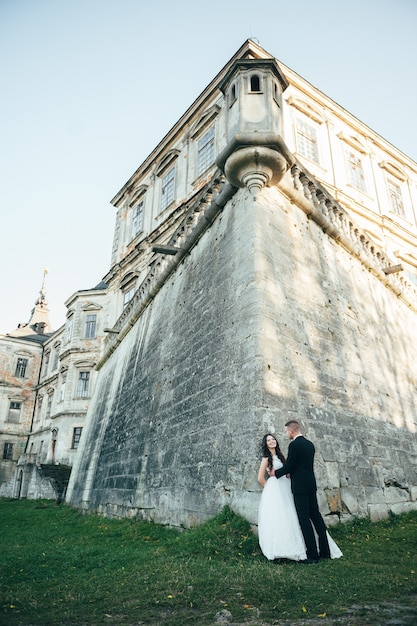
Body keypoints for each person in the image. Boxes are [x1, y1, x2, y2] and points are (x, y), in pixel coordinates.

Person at [272, 420, 340, 563]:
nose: (286, 434)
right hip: (311, 484)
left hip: (300, 487)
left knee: (304, 519)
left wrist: (276, 473)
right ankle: (325, 551)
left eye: (286, 431)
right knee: (316, 516)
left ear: (291, 430)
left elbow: (290, 465)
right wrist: (292, 471)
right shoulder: (310, 444)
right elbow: (302, 465)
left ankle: (312, 555)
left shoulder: (294, 445)